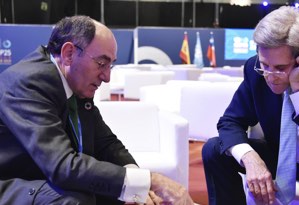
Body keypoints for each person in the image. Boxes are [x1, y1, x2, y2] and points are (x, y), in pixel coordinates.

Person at [0, 15, 193, 205]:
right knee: (76, 199)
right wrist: (151, 181)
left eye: (111, 65)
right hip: (11, 181)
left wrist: (141, 187)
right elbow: (62, 166)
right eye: (101, 63)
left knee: (122, 193)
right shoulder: (28, 83)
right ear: (69, 54)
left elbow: (106, 144)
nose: (107, 77)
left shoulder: (74, 83)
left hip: (43, 175)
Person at [202, 6, 299, 205]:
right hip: (284, 156)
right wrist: (250, 158)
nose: (270, 76)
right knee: (214, 149)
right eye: (264, 65)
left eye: (280, 68)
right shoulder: (255, 69)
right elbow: (230, 121)